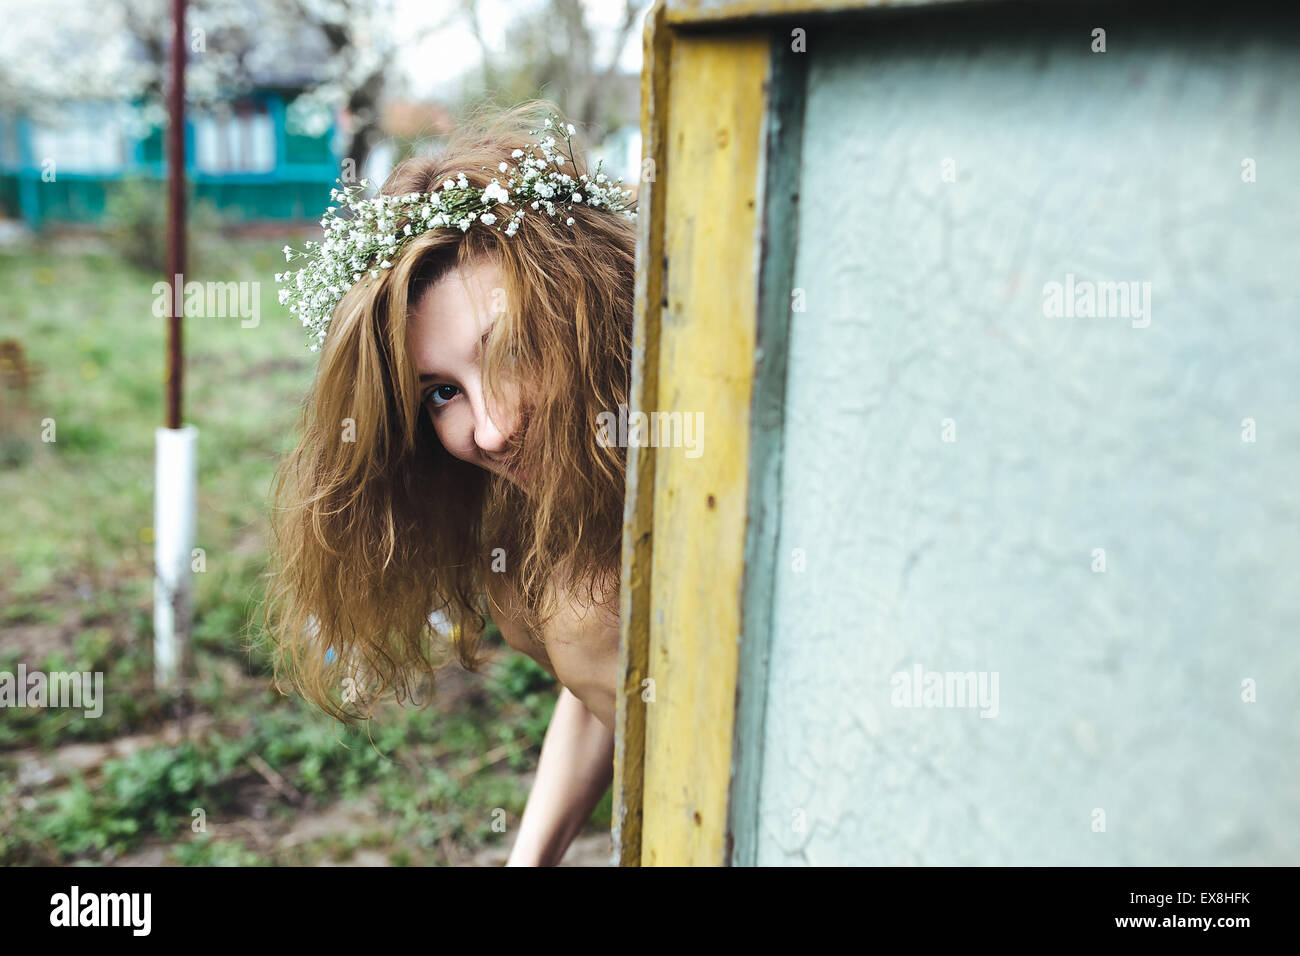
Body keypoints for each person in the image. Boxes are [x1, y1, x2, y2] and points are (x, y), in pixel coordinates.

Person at [263, 101, 637, 866]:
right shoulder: (532, 518)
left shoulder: (698, 487)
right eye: (442, 393)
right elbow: (608, 694)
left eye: (511, 352)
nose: (491, 430)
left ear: (592, 308)